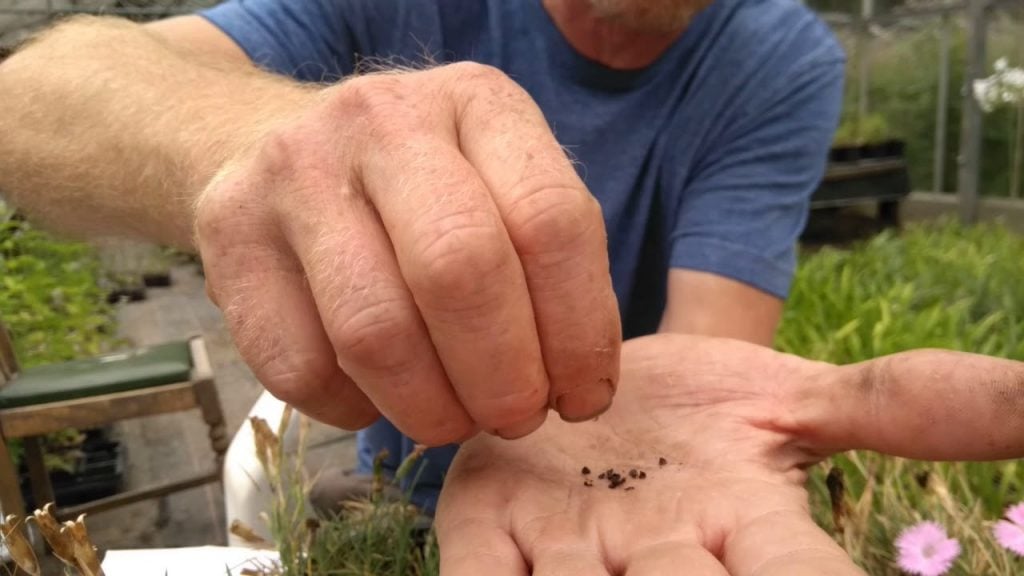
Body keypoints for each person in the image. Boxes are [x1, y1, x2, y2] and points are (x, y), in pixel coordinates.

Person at [1, 1, 1021, 573]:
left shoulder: (777, 53)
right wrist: (251, 141)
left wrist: (658, 432)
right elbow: (33, 96)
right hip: (381, 453)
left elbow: (713, 342)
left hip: (606, 469)